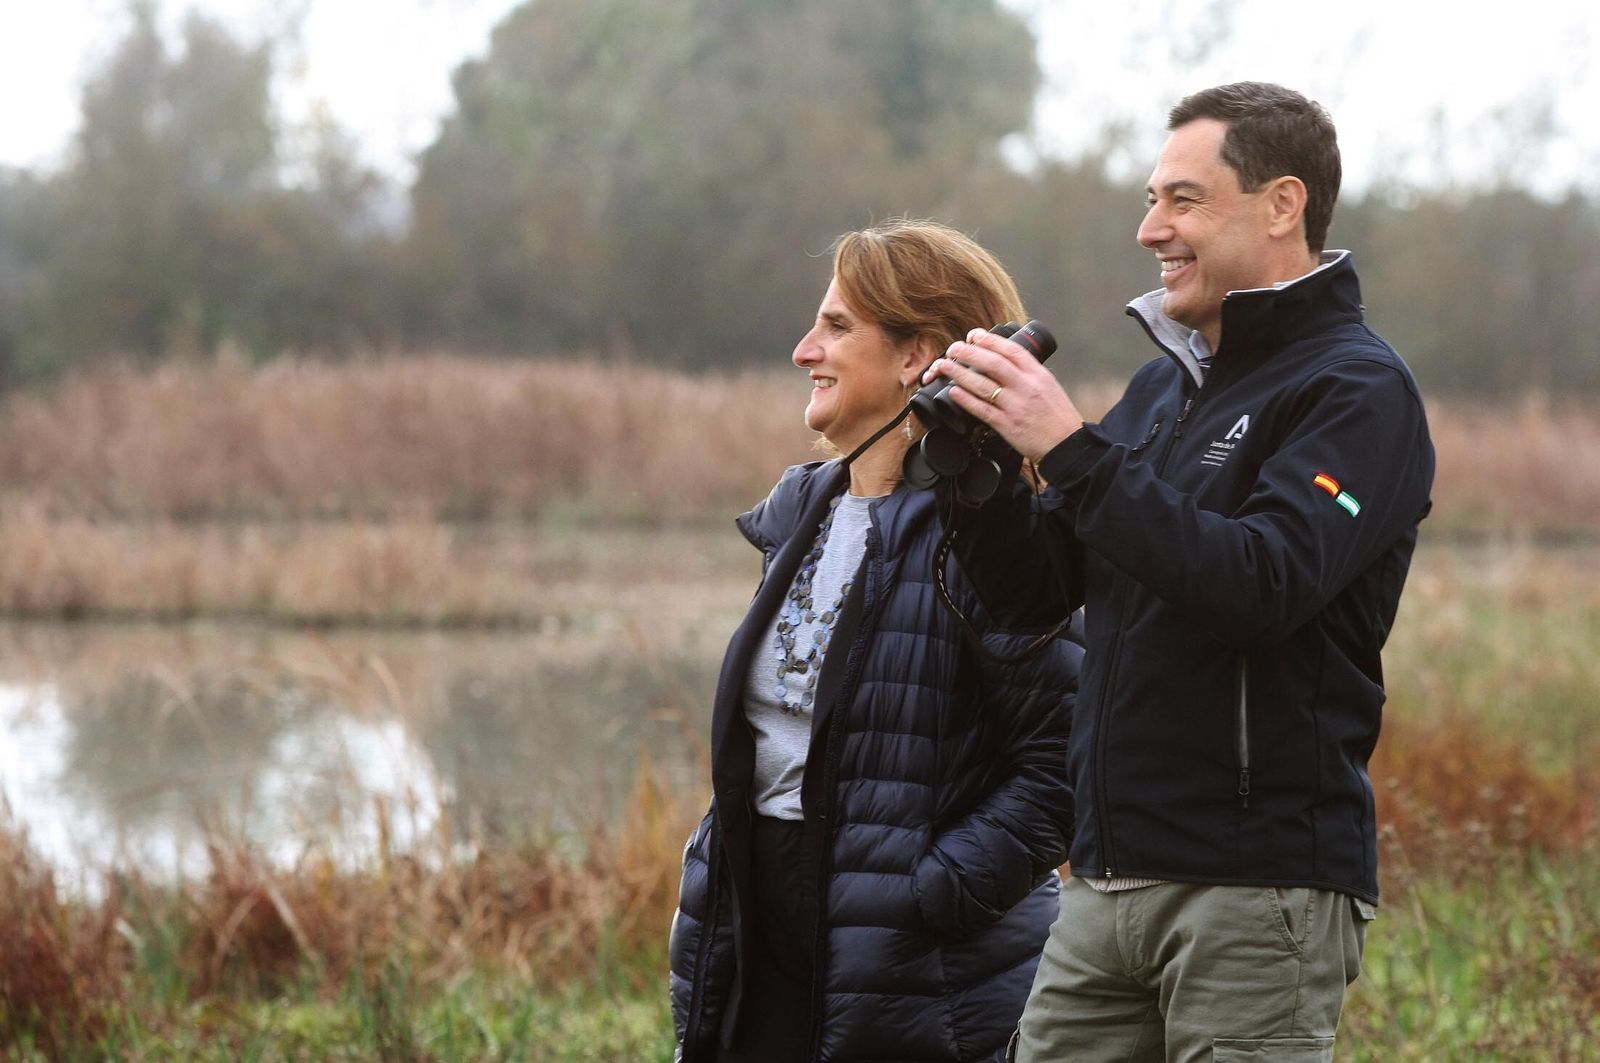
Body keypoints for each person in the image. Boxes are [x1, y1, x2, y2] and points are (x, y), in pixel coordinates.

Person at [921, 83, 1435, 1060]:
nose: (1149, 228)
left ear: (1282, 205)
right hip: (1106, 883)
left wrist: (1070, 449)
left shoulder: (1359, 391)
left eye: (1181, 200)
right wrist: (977, 471)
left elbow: (1261, 582)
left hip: (1257, 890)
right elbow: (1034, 591)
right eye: (1153, 199)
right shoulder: (1164, 388)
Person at [668, 219, 1081, 1062]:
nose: (803, 350)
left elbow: (1065, 760)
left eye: (836, 326)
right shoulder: (801, 515)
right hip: (760, 926)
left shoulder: (996, 537)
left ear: (914, 357)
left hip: (916, 961)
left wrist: (932, 892)